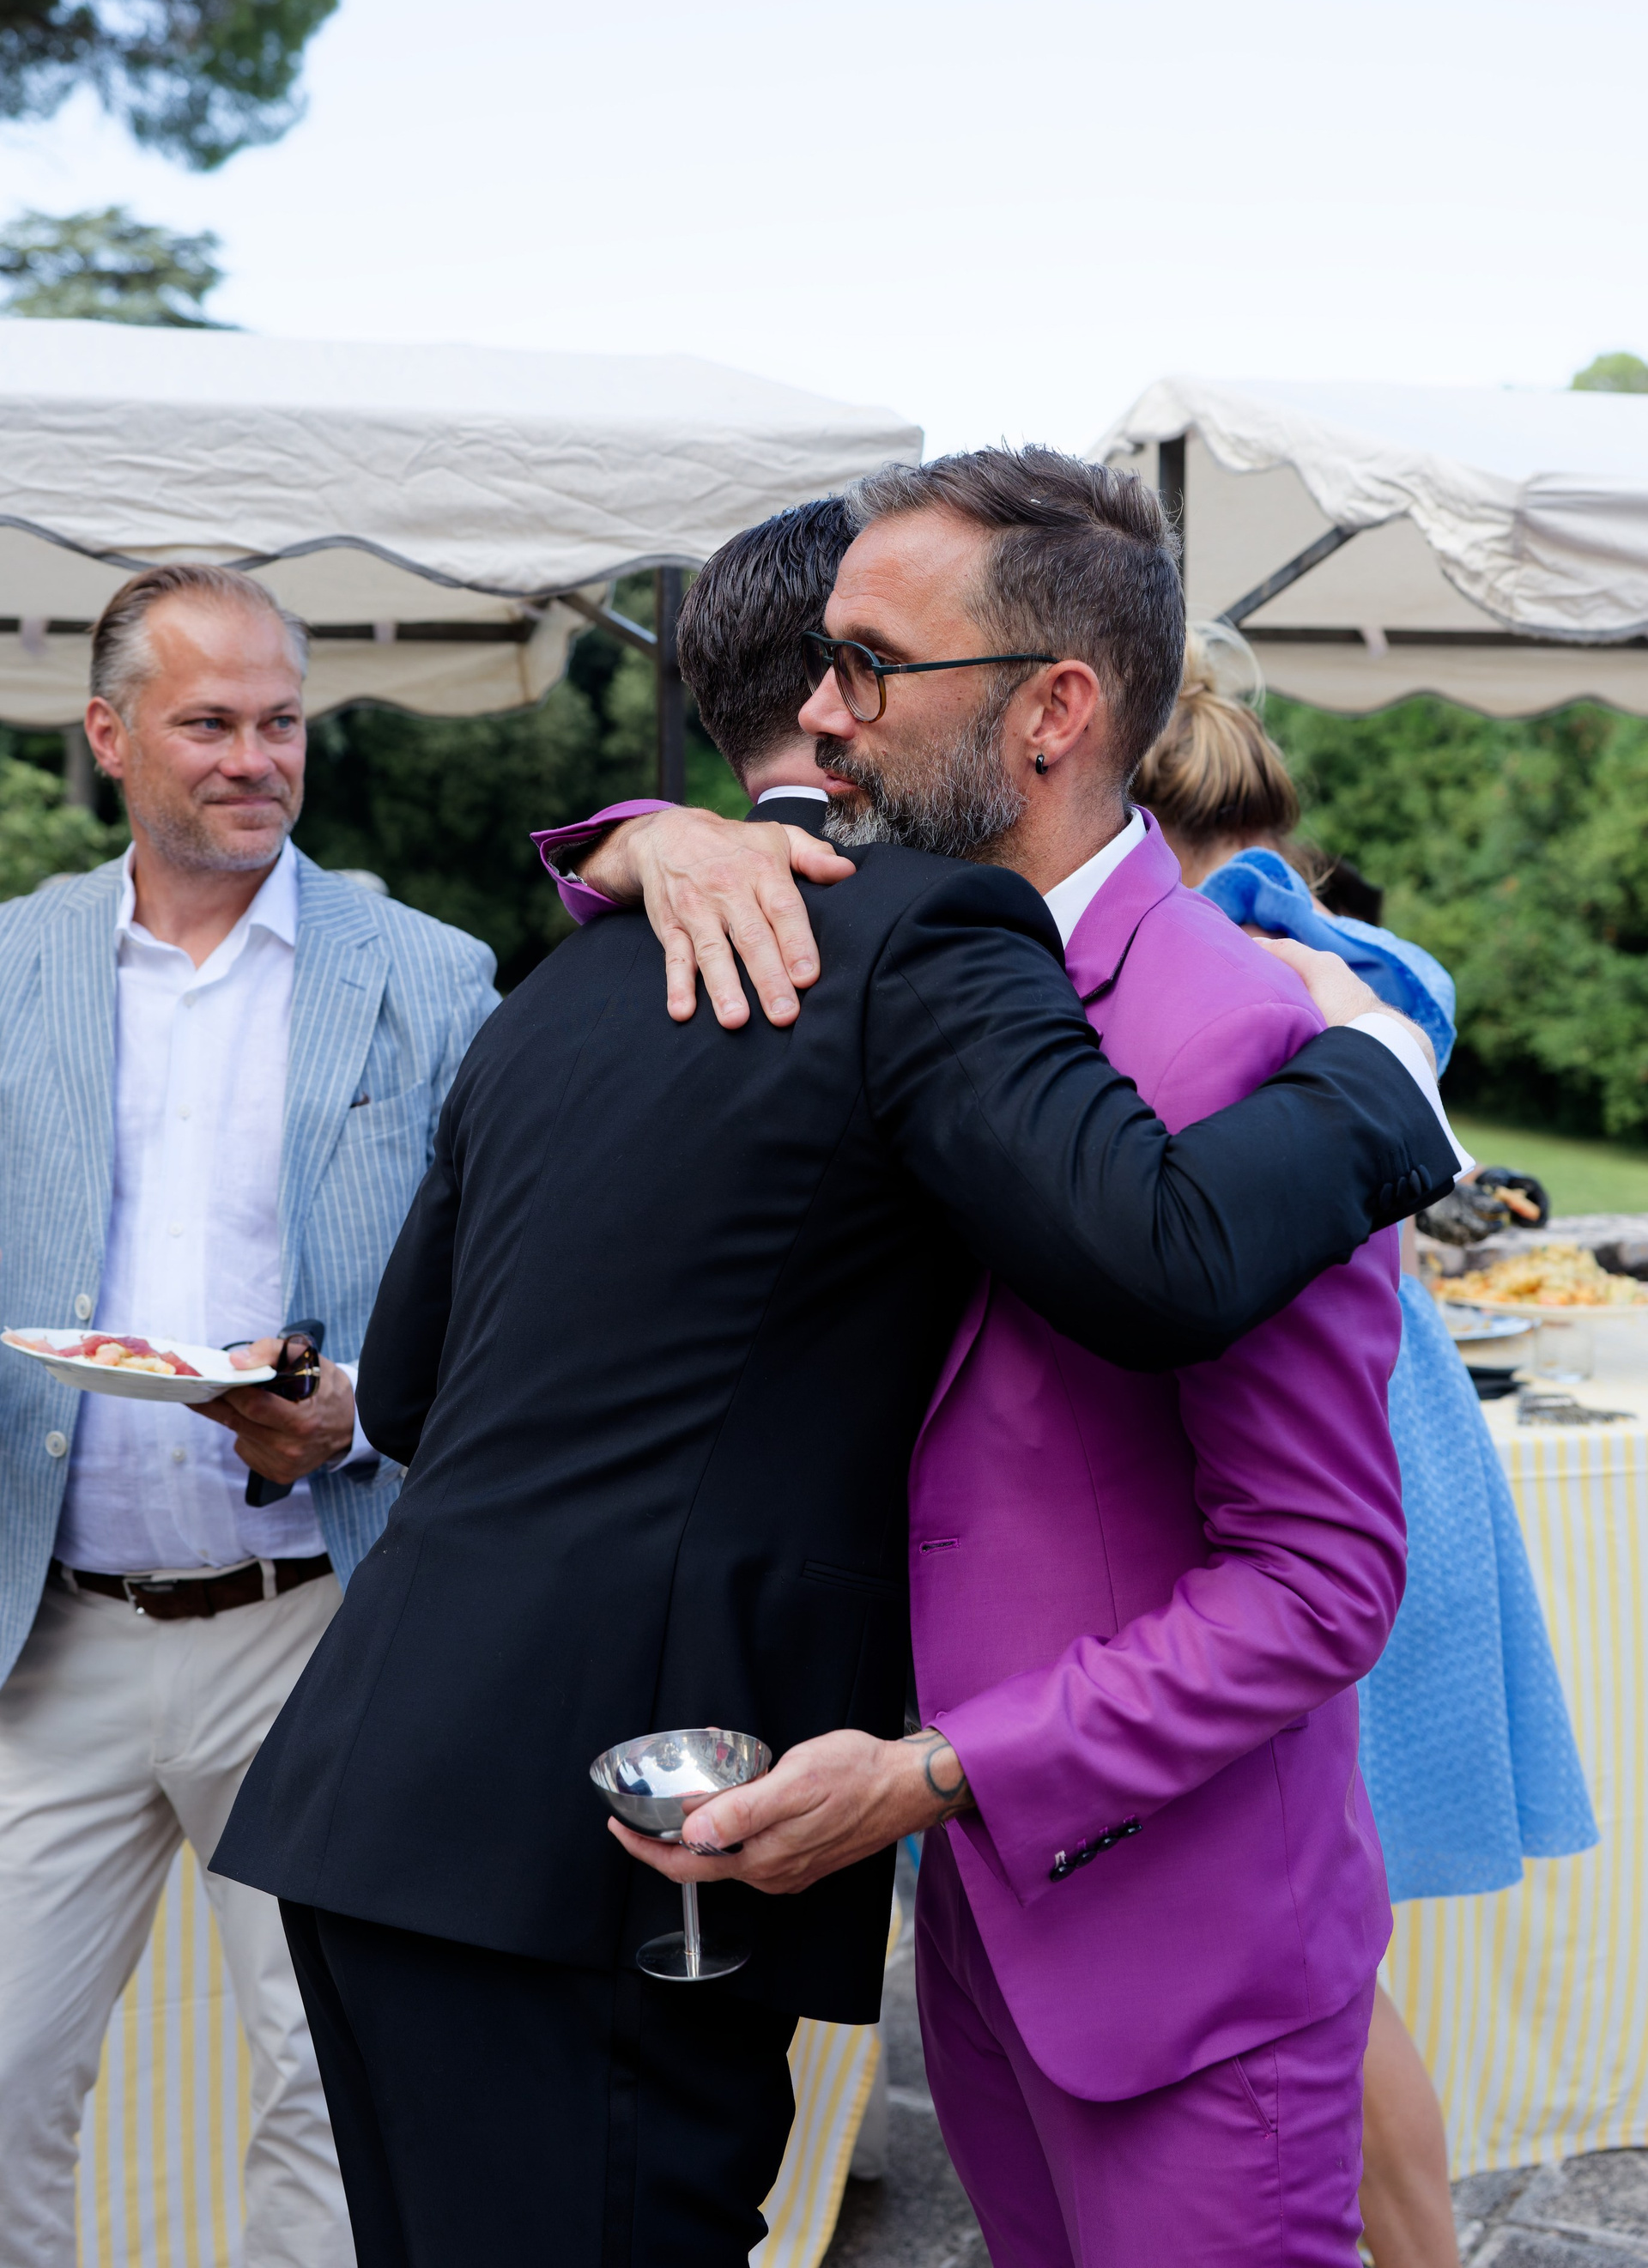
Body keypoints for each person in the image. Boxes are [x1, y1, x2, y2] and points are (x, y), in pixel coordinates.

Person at [212, 460, 1459, 2268]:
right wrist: (634, 836)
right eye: (818, 665)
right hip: (798, 1884)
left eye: (868, 665)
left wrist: (1388, 1065)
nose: (822, 710)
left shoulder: (1225, 1027)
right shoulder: (849, 949)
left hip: (1139, 1935)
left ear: (1053, 708)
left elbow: (1317, 1564)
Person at [0, 565, 498, 2268]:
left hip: (319, 1623)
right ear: (109, 734)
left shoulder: (428, 973)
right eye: (208, 723)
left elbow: (508, 1285)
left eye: (280, 723)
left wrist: (363, 1415)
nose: (253, 758)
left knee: (325, 2086)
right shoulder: (14, 962)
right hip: (48, 1631)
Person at [1133, 622, 1596, 2268]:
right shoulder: (1355, 967)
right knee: (1321, 1941)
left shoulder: (1241, 975)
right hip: (1396, 1452)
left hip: (1319, 1478)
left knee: (1314, 1955)